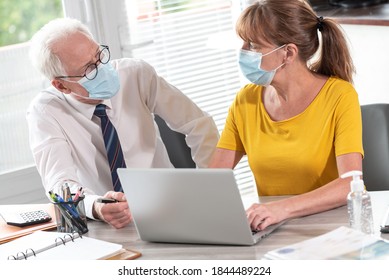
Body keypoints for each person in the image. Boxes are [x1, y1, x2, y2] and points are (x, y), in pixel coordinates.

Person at [27, 17, 219, 229]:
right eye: (89, 69)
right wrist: (95, 207)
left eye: (99, 55)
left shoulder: (136, 74)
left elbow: (199, 124)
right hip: (106, 224)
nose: (102, 68)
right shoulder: (45, 111)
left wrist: (211, 189)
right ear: (61, 86)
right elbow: (59, 184)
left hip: (170, 206)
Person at [209, 0, 363, 231]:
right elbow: (213, 180)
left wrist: (281, 209)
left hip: (332, 228)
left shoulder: (340, 95)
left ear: (288, 53)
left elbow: (351, 184)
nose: (243, 52)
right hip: (272, 229)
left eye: (252, 45)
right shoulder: (246, 100)